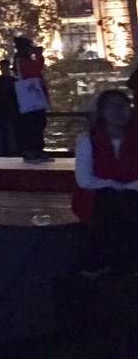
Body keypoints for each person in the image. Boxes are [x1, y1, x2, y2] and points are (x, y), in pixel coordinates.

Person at [74, 89, 138, 278]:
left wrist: (128, 188)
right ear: (102, 111)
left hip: (133, 192)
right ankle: (121, 263)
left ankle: (104, 262)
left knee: (126, 202)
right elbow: (84, 179)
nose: (119, 111)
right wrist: (115, 186)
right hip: (98, 196)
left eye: (123, 106)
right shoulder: (87, 140)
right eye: (112, 106)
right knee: (110, 201)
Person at [13, 36, 51, 163]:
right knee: (31, 124)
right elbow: (34, 69)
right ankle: (30, 151)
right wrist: (38, 55)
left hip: (34, 95)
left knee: (39, 123)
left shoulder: (24, 60)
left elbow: (36, 68)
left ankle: (38, 150)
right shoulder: (20, 60)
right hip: (30, 97)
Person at [0, 60, 19, 157]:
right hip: (8, 108)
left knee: (8, 131)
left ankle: (8, 151)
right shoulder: (14, 81)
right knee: (7, 131)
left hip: (8, 108)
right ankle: (11, 150)